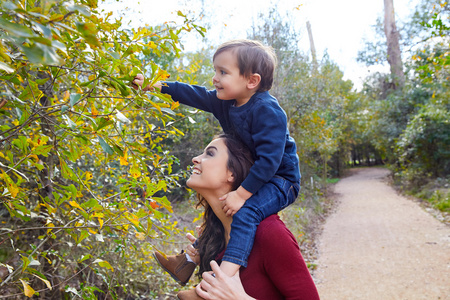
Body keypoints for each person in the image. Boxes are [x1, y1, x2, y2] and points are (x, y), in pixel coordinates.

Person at [133, 39, 301, 286]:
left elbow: (269, 161)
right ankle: (185, 264)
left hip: (280, 179)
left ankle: (221, 280)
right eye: (215, 71)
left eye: (223, 72)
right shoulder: (225, 102)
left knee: (246, 212)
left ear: (251, 81)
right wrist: (157, 86)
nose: (214, 78)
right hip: (257, 173)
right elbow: (194, 94)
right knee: (218, 211)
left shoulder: (267, 111)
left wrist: (242, 194)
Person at [176, 134, 319, 299]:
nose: (195, 159)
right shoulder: (216, 234)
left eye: (210, 153)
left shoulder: (269, 233)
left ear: (232, 173)